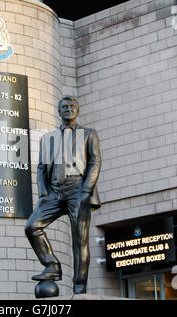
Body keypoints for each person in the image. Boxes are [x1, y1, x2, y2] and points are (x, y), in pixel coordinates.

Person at [25, 96, 102, 294]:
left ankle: (79, 286)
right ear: (59, 111)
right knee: (32, 226)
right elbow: (42, 167)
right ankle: (52, 265)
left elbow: (95, 162)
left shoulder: (89, 134)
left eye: (72, 106)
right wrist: (43, 193)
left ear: (78, 110)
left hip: (77, 188)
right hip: (53, 190)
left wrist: (86, 190)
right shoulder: (48, 138)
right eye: (64, 107)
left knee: (79, 239)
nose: (68, 109)